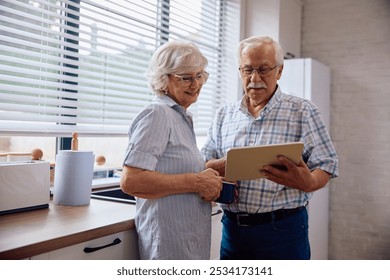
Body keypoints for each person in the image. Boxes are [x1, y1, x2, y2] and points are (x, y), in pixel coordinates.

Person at [201, 36, 339, 260]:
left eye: (263, 69)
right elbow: (204, 162)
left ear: (279, 71)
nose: (254, 78)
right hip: (233, 231)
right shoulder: (223, 115)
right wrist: (226, 168)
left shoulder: (303, 111)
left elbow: (327, 163)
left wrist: (309, 182)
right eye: (247, 70)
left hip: (283, 230)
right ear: (239, 71)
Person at [120, 41, 223, 260]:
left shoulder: (180, 116)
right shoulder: (158, 114)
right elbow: (132, 181)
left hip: (185, 241)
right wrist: (197, 182)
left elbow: (174, 167)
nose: (195, 84)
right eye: (186, 77)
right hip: (168, 245)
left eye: (199, 75)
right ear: (163, 79)